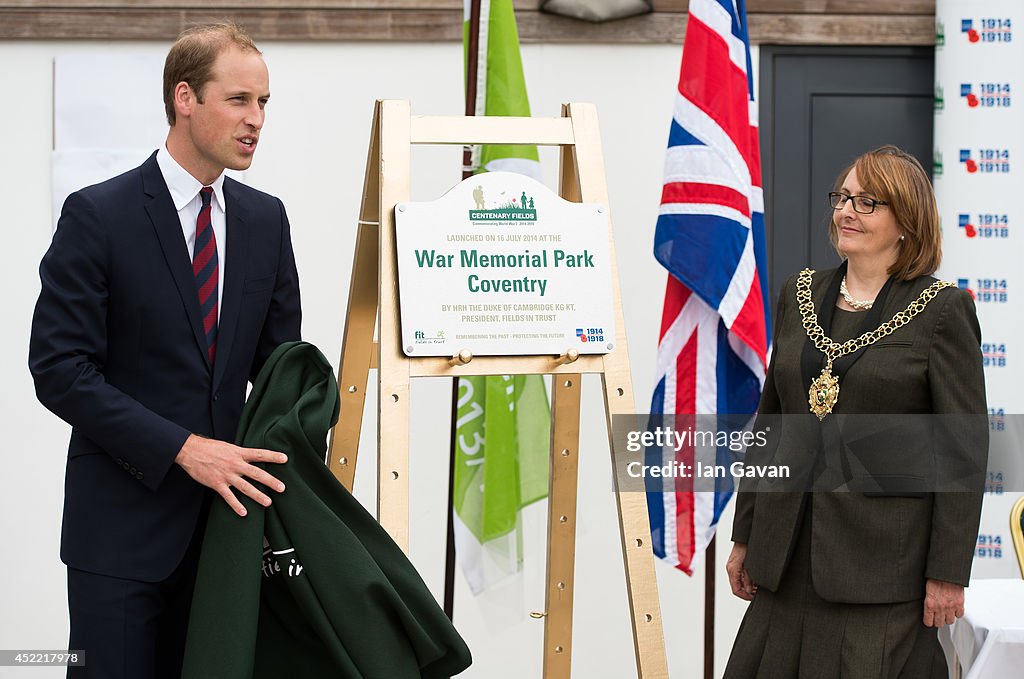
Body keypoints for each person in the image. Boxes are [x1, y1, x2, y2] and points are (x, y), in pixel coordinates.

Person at [29, 23, 301, 678]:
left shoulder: (266, 222)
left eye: (264, 103)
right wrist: (182, 447)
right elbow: (60, 370)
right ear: (185, 98)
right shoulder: (98, 215)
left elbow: (279, 374)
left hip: (226, 542)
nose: (256, 120)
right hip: (117, 541)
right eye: (239, 100)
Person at [723, 145, 988, 678]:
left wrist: (947, 572)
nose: (846, 211)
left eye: (868, 202)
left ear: (906, 221)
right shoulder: (797, 294)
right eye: (842, 198)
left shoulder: (943, 311)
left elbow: (962, 451)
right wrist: (745, 533)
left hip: (880, 573)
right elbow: (771, 424)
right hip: (785, 559)